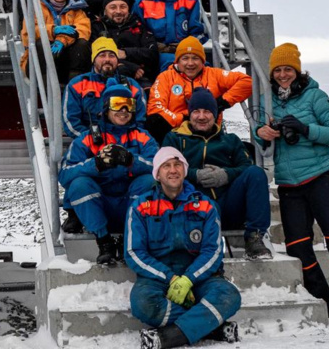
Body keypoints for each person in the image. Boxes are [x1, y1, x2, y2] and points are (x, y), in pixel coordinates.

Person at [254, 43, 329, 321]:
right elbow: (259, 137)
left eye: (288, 69)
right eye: (278, 70)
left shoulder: (315, 96)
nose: (282, 75)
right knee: (298, 246)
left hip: (321, 177)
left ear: (297, 70)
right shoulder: (267, 101)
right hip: (290, 185)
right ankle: (321, 303)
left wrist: (305, 129)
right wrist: (262, 132)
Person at [128, 146, 241, 348]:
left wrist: (189, 279)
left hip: (199, 277)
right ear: (157, 173)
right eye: (166, 166)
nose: (173, 170)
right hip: (158, 278)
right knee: (143, 303)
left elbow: (213, 252)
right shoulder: (140, 206)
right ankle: (210, 327)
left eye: (177, 164)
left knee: (228, 295)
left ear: (184, 169)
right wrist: (170, 278)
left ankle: (168, 337)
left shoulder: (206, 205)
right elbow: (134, 253)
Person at [162, 88, 273, 261]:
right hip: (193, 204)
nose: (201, 116)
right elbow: (165, 169)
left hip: (228, 203)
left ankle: (254, 238)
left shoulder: (230, 140)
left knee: (256, 173)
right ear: (189, 114)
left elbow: (246, 166)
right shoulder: (174, 139)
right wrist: (195, 174)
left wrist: (226, 174)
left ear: (215, 115)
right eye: (196, 111)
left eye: (207, 111)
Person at [59, 79, 157, 264]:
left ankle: (131, 240)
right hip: (99, 208)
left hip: (130, 206)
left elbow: (158, 167)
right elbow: (65, 175)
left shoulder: (143, 137)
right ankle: (105, 243)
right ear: (106, 107)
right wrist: (96, 164)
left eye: (128, 105)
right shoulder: (87, 139)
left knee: (148, 181)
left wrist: (130, 160)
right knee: (79, 184)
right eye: (117, 104)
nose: (123, 110)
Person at [146, 36, 251, 143]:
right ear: (177, 61)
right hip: (176, 133)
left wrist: (222, 102)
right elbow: (155, 109)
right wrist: (185, 118)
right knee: (154, 121)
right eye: (185, 58)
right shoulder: (165, 77)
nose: (190, 63)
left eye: (195, 58)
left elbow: (247, 82)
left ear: (202, 61)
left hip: (208, 131)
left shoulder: (213, 74)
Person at [64, 37, 147, 137]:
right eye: (102, 55)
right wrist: (90, 140)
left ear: (117, 60)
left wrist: (123, 141)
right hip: (90, 144)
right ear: (93, 60)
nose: (107, 59)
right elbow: (71, 121)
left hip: (124, 144)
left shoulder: (132, 85)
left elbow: (140, 121)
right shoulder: (77, 84)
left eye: (112, 56)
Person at [18, 0, 92, 82]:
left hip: (65, 63)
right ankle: (45, 91)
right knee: (41, 42)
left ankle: (75, 86)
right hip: (38, 65)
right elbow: (28, 34)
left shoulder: (77, 10)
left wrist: (62, 40)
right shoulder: (36, 7)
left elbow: (83, 29)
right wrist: (53, 30)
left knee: (82, 44)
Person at [135, 0, 206, 70]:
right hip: (156, 52)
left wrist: (187, 47)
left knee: (205, 68)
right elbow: (138, 31)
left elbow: (196, 30)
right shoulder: (144, 3)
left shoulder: (189, 0)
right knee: (170, 65)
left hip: (183, 50)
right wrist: (153, 45)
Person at [91, 0, 158, 86]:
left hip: (140, 77)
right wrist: (128, 66)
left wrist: (126, 53)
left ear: (128, 9)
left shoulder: (138, 25)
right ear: (105, 10)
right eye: (113, 7)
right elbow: (93, 55)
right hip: (104, 77)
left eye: (123, 7)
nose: (118, 11)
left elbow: (152, 53)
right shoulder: (97, 27)